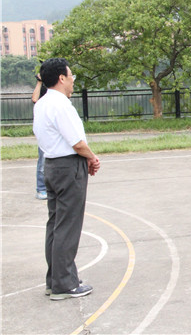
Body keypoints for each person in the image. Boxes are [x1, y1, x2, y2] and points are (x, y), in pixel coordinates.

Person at [33, 58, 100, 300]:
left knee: (55, 224)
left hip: (51, 166)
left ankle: (55, 280)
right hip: (68, 167)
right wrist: (91, 157)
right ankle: (64, 284)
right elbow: (77, 143)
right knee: (68, 226)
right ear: (62, 78)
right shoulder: (61, 105)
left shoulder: (42, 103)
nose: (73, 81)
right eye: (71, 76)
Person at [32, 69, 48, 200]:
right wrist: (39, 81)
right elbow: (34, 99)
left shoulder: (56, 87)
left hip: (55, 129)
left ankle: (52, 188)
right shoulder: (42, 86)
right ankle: (41, 189)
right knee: (43, 161)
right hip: (45, 129)